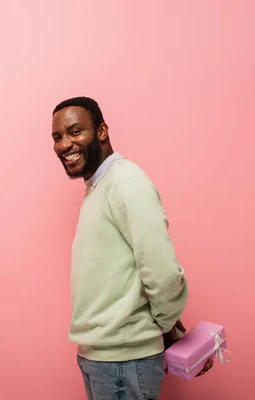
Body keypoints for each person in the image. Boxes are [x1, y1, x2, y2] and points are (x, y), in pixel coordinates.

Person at [51, 97, 213, 400]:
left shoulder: (126, 182)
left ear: (102, 131)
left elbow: (162, 271)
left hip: (123, 361)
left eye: (75, 131)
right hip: (101, 357)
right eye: (57, 137)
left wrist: (163, 326)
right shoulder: (99, 188)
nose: (64, 144)